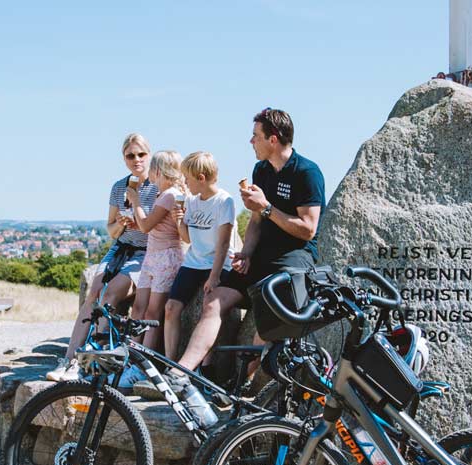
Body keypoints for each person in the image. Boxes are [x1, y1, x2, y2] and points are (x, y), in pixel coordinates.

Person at [175, 108, 325, 380]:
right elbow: (256, 221)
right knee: (214, 301)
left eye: (255, 136)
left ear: (273, 139)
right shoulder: (261, 170)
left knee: (269, 324)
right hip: (260, 258)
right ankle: (183, 372)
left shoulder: (307, 172)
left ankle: (240, 386)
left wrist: (267, 207)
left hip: (292, 261)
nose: (250, 141)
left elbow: (308, 230)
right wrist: (246, 252)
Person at [47, 133, 160, 382]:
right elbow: (110, 229)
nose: (136, 160)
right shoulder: (119, 187)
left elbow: (158, 228)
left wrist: (138, 218)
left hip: (146, 252)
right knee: (94, 292)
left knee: (109, 295)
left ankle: (95, 359)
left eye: (141, 154)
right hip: (121, 247)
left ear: (149, 155)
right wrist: (120, 224)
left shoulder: (158, 186)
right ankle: (70, 358)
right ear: (124, 158)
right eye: (130, 155)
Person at [164, 151, 238, 371]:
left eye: (188, 178)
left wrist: (214, 276)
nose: (185, 183)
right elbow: (188, 238)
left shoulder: (224, 201)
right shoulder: (191, 201)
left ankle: (204, 367)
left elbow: (224, 244)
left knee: (209, 310)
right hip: (193, 262)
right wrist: (179, 222)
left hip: (217, 263)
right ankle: (170, 362)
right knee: (170, 307)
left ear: (201, 178)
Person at [130, 150, 187, 354]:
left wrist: (135, 200)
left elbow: (146, 226)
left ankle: (141, 360)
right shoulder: (163, 194)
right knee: (138, 307)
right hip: (152, 256)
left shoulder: (171, 194)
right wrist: (135, 223)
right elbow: (153, 226)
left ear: (158, 171)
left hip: (166, 258)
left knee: (152, 312)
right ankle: (131, 353)